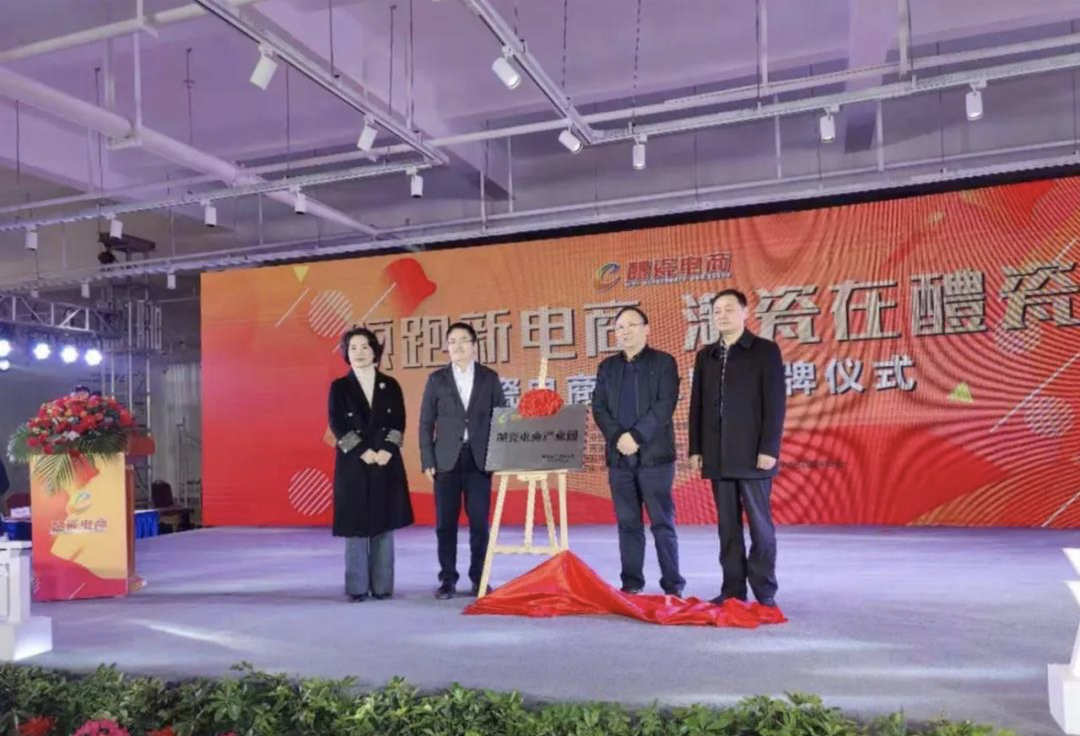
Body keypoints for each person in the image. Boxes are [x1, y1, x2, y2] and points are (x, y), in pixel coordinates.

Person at [688, 289, 786, 607]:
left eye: (729, 309)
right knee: (727, 529)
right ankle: (732, 589)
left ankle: (764, 590)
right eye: (717, 311)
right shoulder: (706, 356)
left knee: (761, 528)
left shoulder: (764, 351)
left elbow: (775, 403)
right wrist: (696, 449)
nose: (722, 315)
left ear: (745, 313)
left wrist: (769, 448)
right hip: (718, 455)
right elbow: (697, 406)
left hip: (754, 455)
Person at [591, 306, 685, 597]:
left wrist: (636, 436)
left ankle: (672, 585)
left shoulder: (664, 363)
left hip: (656, 458)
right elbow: (598, 407)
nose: (625, 331)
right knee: (627, 524)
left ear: (646, 329)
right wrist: (619, 437)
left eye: (632, 325)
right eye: (620, 327)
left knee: (662, 524)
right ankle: (632, 583)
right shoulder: (607, 367)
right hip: (620, 459)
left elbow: (665, 405)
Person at [419, 322, 507, 599]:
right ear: (447, 347)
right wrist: (427, 459)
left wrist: (498, 457)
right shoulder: (437, 379)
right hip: (446, 460)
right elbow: (426, 422)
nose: (457, 346)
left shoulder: (489, 378)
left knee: (479, 523)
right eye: (452, 341)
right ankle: (447, 580)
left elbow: (502, 419)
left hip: (479, 460)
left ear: (474, 345)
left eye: (463, 340)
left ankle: (480, 579)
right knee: (445, 524)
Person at [328, 327, 414, 601]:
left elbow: (399, 421)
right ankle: (356, 588)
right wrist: (362, 451)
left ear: (374, 351)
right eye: (353, 348)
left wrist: (388, 449)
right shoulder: (339, 387)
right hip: (353, 462)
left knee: (383, 523)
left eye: (365, 346)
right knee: (355, 525)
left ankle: (383, 586)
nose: (359, 352)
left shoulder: (390, 384)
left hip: (385, 461)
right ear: (346, 353)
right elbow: (337, 423)